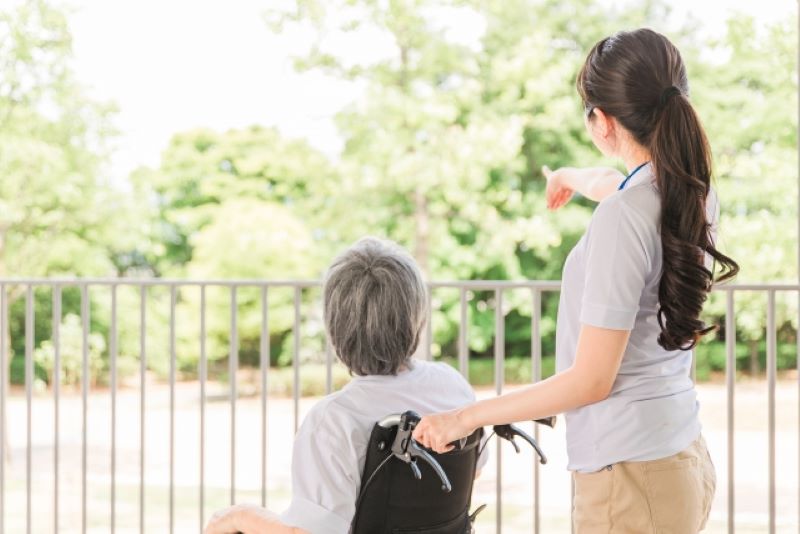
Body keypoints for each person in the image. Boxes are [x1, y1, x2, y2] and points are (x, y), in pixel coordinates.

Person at [413, 28, 739, 534]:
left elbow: (590, 380)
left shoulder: (623, 218)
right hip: (677, 458)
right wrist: (564, 175)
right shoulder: (690, 192)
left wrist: (465, 417)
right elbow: (612, 184)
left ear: (601, 122)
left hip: (630, 480)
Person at [204, 237, 485, 534]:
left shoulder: (334, 419)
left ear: (334, 325)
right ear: (418, 316)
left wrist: (240, 516)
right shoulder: (453, 387)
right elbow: (471, 473)